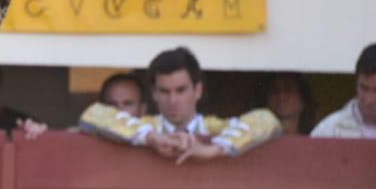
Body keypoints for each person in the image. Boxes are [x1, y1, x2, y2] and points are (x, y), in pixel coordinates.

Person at [78, 46, 282, 162]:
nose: (173, 100)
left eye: (181, 90)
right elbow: (94, 114)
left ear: (198, 90)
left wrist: (212, 150)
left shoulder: (215, 128)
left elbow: (267, 119)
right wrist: (153, 139)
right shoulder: (147, 127)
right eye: (165, 91)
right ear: (154, 94)